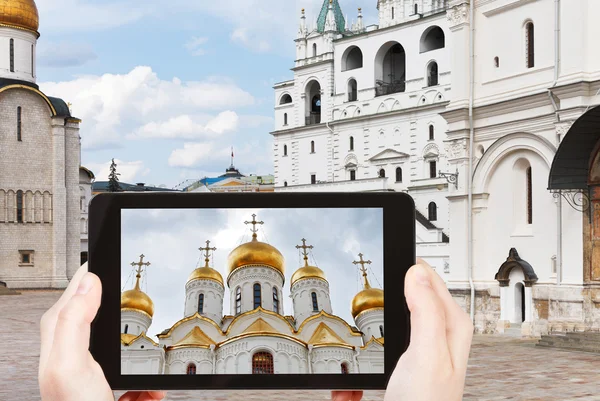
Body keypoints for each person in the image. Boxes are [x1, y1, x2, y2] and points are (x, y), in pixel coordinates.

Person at [39, 258, 473, 401]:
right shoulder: (196, 329)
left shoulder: (326, 328)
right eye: (206, 292)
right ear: (224, 294)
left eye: (269, 285)